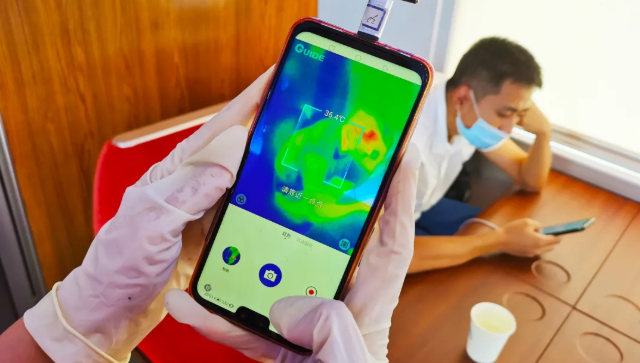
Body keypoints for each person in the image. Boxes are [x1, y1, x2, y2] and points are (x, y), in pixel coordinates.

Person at [0, 67, 421, 363]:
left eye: (365, 154)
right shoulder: (278, 164)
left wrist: (76, 329)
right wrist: (83, 323)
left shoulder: (341, 215)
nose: (348, 154)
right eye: (348, 137)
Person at [409, 37, 561, 274]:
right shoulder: (409, 140)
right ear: (461, 98)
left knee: (499, 229)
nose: (509, 129)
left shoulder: (466, 113)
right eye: (505, 114)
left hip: (423, 207)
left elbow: (529, 179)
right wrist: (500, 240)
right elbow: (379, 254)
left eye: (520, 114)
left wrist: (543, 133)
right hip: (385, 229)